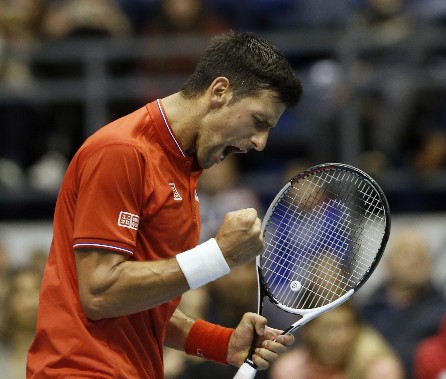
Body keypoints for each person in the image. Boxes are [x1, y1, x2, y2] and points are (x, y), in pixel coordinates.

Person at [26, 30, 303, 378]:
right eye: (259, 122)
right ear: (220, 91)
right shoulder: (122, 151)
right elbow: (99, 294)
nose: (260, 143)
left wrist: (221, 342)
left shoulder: (184, 169)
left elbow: (137, 303)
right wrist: (220, 255)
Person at [359, 227, 446, 378]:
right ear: (388, 264)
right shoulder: (366, 310)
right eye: (406, 253)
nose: (415, 260)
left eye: (421, 254)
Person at [270, 302, 405, 379]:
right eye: (328, 328)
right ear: (308, 331)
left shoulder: (381, 369)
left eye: (346, 326)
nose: (339, 338)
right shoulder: (289, 369)